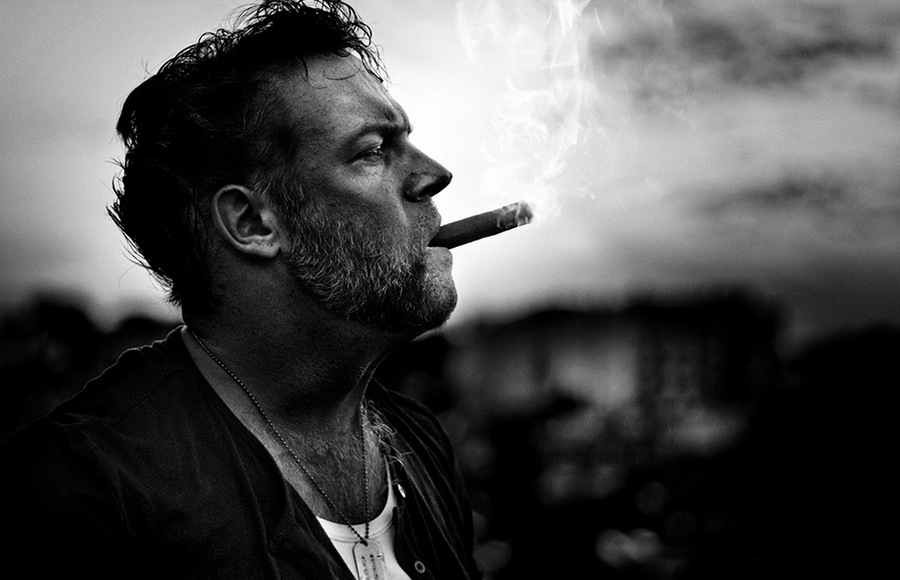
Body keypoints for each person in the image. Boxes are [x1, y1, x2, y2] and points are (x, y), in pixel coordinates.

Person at [1, 1, 481, 578]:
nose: (434, 174)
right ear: (252, 223)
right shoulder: (81, 494)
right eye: (374, 150)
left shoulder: (419, 440)